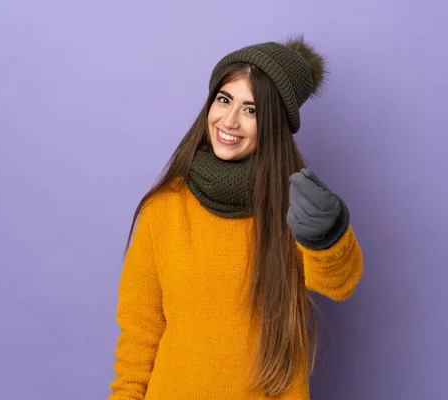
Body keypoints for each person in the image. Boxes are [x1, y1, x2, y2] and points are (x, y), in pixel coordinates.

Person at [108, 36, 364, 400]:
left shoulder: (295, 205)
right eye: (224, 100)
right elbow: (139, 334)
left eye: (251, 109)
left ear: (273, 124)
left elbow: (340, 283)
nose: (229, 120)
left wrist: (328, 235)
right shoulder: (164, 209)